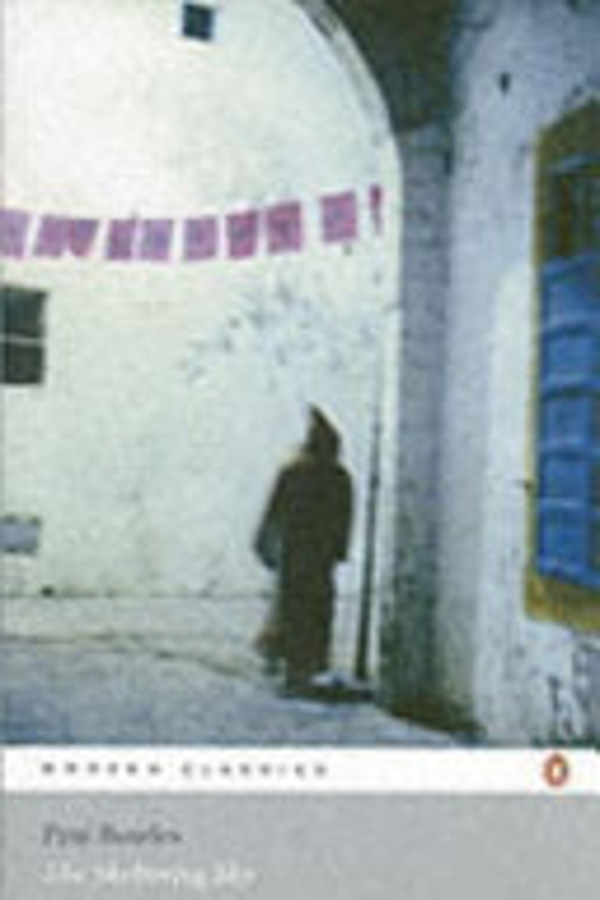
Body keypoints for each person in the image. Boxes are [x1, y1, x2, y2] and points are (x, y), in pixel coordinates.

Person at [254, 407, 353, 694]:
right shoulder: (338, 476)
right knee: (317, 607)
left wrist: (263, 543)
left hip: (296, 550)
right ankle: (310, 662)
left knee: (290, 604)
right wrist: (339, 550)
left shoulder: (293, 471)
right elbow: (344, 517)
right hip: (318, 554)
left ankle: (288, 661)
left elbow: (273, 512)